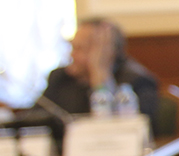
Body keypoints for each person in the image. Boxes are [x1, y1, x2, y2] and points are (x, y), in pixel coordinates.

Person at [28, 19, 159, 129]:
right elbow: (34, 120)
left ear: (108, 52)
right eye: (72, 47)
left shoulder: (136, 81)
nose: (72, 55)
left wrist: (100, 77)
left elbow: (128, 129)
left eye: (79, 49)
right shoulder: (60, 77)